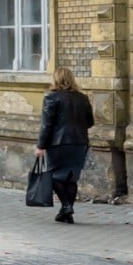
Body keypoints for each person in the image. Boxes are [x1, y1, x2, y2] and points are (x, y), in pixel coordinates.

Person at [37, 66, 95, 225]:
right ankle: (66, 212)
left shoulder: (51, 98)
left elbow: (46, 125)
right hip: (80, 143)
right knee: (71, 179)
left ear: (55, 79)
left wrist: (40, 145)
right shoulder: (82, 98)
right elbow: (90, 122)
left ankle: (66, 205)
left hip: (58, 143)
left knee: (55, 176)